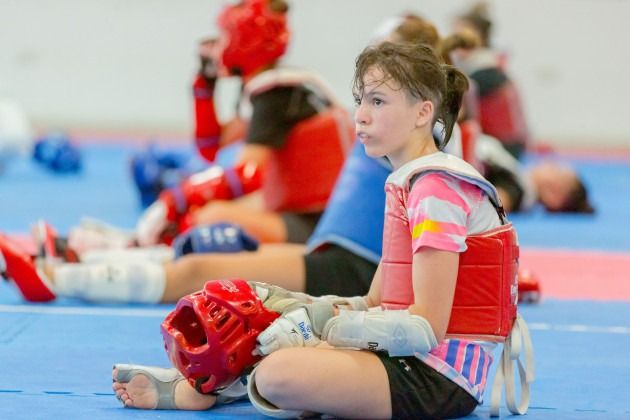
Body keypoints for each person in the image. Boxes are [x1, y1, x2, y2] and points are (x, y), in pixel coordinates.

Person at [112, 42, 534, 418]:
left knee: (280, 372)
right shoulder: (408, 181)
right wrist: (300, 312)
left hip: (440, 377)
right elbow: (375, 301)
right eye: (360, 100)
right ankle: (215, 384)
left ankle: (227, 388)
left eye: (378, 101)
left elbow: (425, 328)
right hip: (411, 357)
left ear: (424, 111)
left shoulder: (435, 189)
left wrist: (320, 330)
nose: (362, 116)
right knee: (265, 316)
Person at [133, 0, 354, 247]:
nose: (219, 45)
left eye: (226, 36)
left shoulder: (275, 94)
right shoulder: (275, 87)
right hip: (311, 211)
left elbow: (247, 175)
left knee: (206, 221)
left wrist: (178, 198)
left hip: (317, 225)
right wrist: (204, 89)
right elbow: (211, 147)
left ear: (245, 40)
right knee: (209, 208)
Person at [443, 16, 530, 160]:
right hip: (509, 144)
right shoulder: (489, 64)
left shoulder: (484, 73)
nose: (451, 42)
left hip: (503, 148)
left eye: (456, 36)